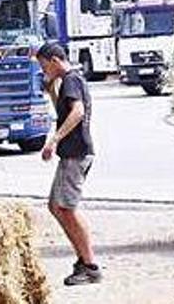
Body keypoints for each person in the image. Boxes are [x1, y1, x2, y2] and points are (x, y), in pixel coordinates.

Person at [35, 42, 101, 286]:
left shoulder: (72, 80)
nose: (43, 71)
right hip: (73, 152)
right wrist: (51, 89)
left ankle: (90, 265)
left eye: (44, 66)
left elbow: (78, 112)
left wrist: (54, 139)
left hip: (75, 152)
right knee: (55, 205)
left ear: (54, 60)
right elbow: (64, 111)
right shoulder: (69, 82)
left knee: (66, 209)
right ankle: (83, 259)